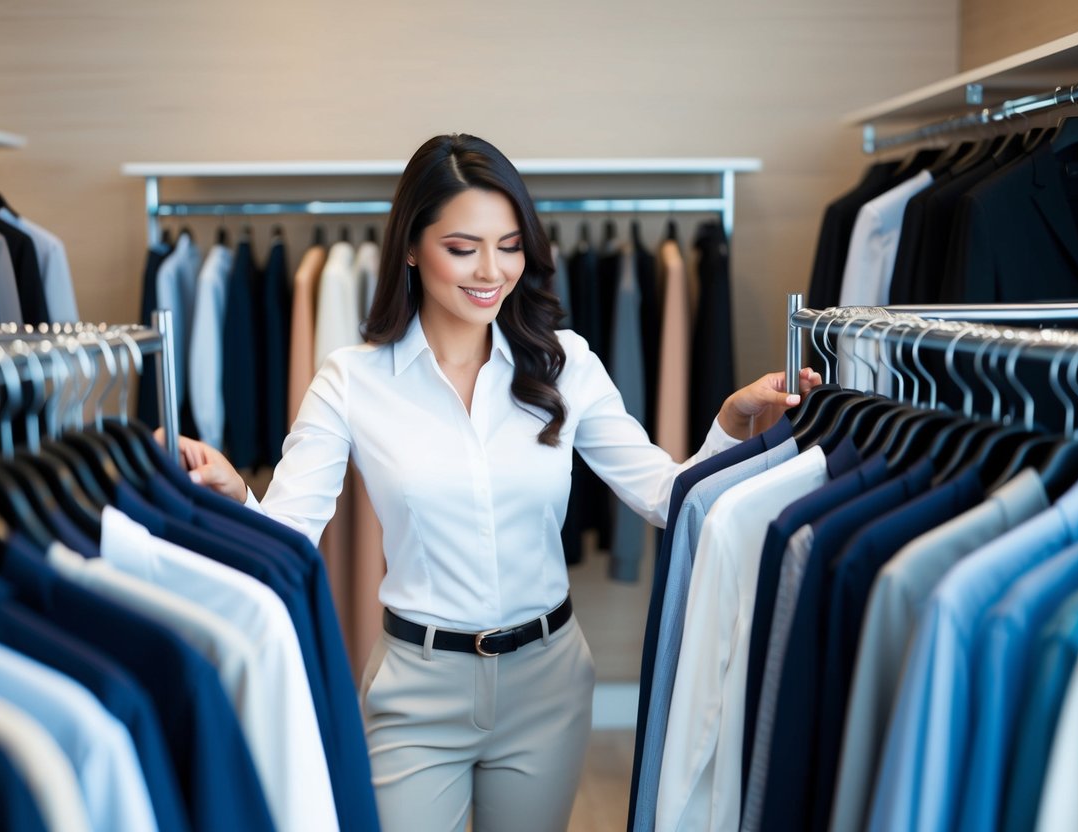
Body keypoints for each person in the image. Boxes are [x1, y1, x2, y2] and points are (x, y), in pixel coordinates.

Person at [166, 133, 821, 832]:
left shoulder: (564, 362)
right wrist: (237, 494)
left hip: (548, 682)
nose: (491, 270)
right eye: (462, 247)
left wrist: (726, 422)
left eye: (508, 245)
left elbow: (665, 496)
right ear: (411, 248)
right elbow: (289, 536)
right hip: (417, 689)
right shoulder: (352, 380)